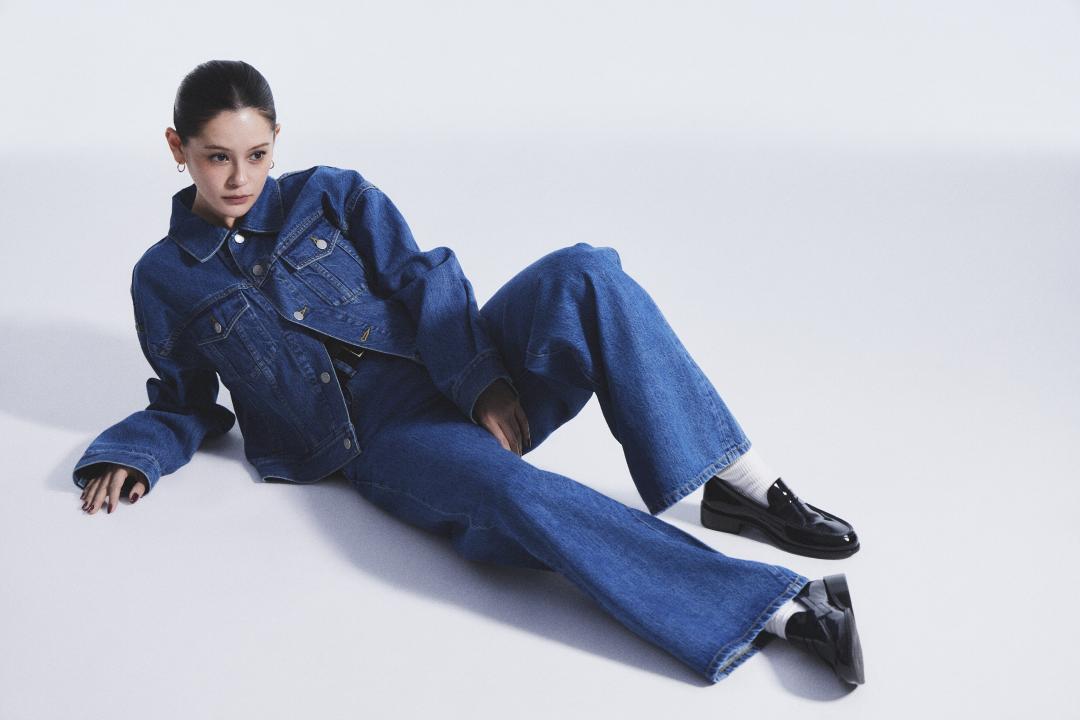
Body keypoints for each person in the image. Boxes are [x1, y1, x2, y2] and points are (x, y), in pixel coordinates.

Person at [71, 60, 865, 686]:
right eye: (216, 158)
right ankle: (782, 611)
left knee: (586, 271)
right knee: (513, 494)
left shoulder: (332, 194)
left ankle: (741, 483)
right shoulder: (164, 279)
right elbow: (184, 400)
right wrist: (134, 454)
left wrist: (480, 378)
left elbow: (424, 276)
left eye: (256, 154)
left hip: (461, 362)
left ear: (278, 138)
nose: (240, 178)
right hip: (385, 437)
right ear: (177, 148)